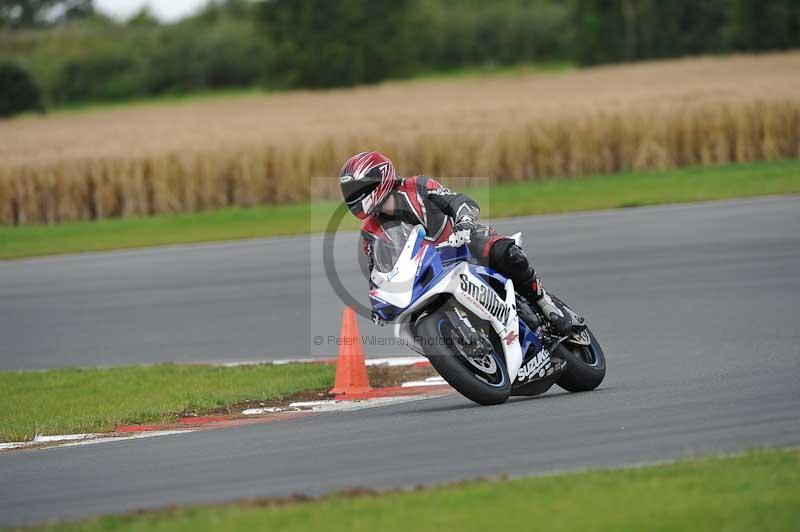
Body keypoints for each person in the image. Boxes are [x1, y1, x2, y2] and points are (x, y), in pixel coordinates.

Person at [339, 151, 583, 334]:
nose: (355, 198)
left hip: (461, 244)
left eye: (358, 190)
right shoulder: (370, 230)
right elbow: (376, 273)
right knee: (409, 320)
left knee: (504, 252)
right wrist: (379, 303)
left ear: (379, 179)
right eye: (350, 193)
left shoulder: (417, 186)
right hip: (427, 270)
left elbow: (457, 200)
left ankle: (546, 304)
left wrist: (464, 223)